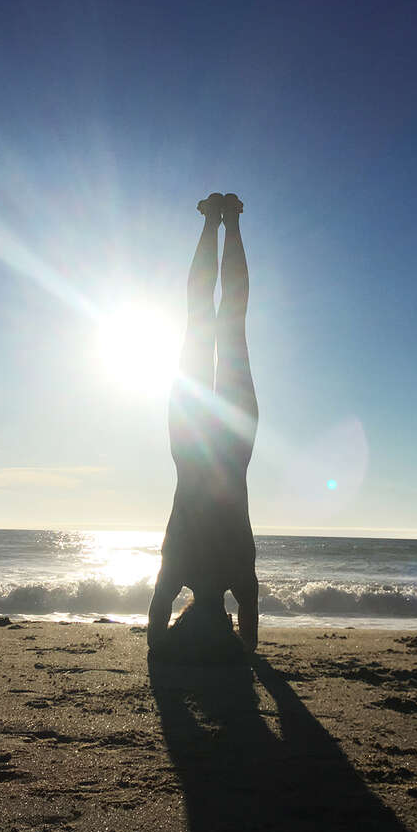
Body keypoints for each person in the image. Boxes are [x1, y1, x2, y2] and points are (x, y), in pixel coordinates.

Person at [148, 193, 259, 655]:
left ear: (226, 620)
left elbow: (250, 637)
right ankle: (215, 220)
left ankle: (228, 220)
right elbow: (156, 629)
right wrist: (165, 645)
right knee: (199, 320)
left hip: (233, 447)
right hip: (191, 444)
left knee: (230, 321)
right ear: (187, 611)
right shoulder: (178, 572)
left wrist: (243, 648)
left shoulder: (239, 575)